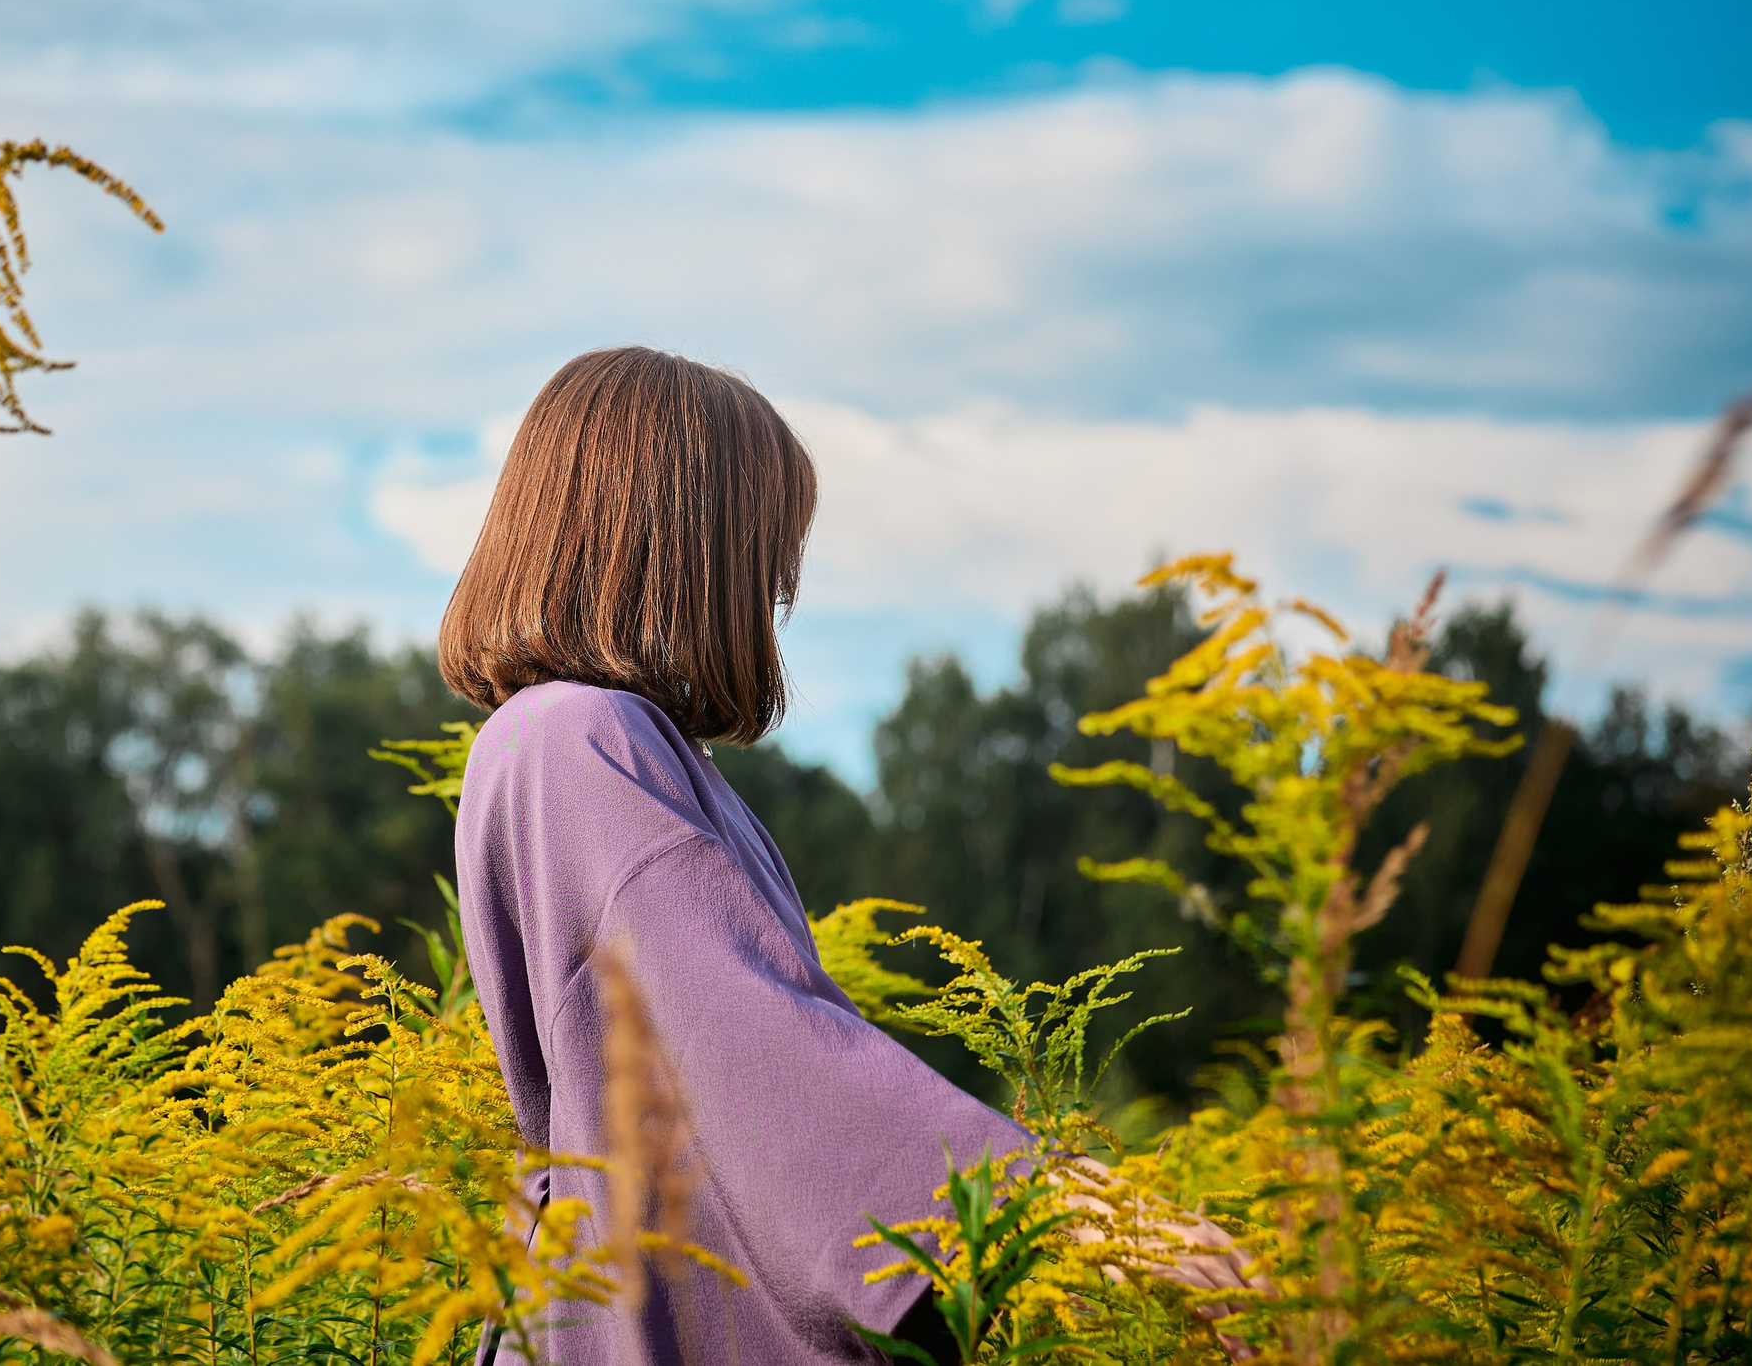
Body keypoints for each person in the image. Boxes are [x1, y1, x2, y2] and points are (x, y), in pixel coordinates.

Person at [442, 347, 1249, 1365]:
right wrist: (1035, 1203)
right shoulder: (568, 737)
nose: (779, 580)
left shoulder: (641, 758)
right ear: (677, 540)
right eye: (762, 540)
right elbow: (738, 1039)